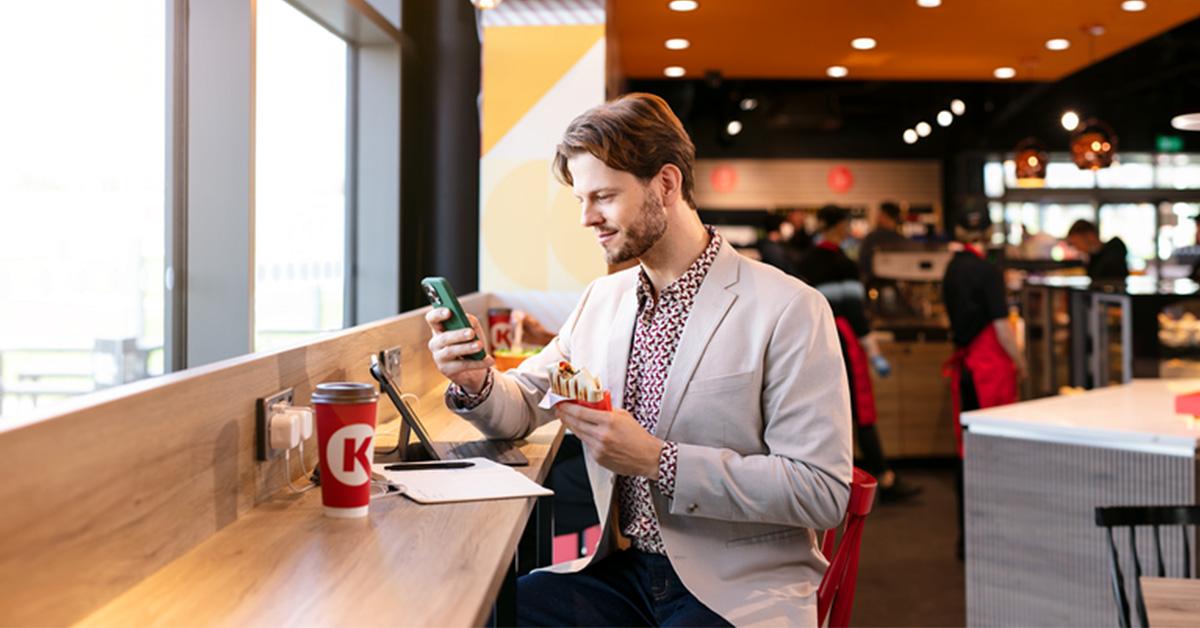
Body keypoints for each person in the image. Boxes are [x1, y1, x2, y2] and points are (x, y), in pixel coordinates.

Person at [425, 93, 852, 627]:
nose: (587, 218)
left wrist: (659, 459)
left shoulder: (789, 308)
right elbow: (520, 408)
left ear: (666, 184)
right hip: (623, 573)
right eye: (582, 199)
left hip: (738, 588)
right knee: (495, 613)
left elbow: (821, 491)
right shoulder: (601, 300)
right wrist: (476, 381)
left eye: (603, 196)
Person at [795, 204, 921, 504]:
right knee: (859, 411)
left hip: (813, 342)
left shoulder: (804, 261)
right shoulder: (843, 263)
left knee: (824, 411)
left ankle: (825, 479)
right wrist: (874, 352)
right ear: (839, 227)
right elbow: (856, 314)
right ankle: (883, 478)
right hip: (843, 341)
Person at [941, 206, 1026, 559]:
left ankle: (968, 536)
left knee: (968, 452)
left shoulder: (952, 270)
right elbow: (1002, 328)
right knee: (994, 451)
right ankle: (994, 533)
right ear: (987, 233)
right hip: (988, 370)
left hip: (966, 370)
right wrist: (1021, 362)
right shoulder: (988, 271)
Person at [858, 201, 908, 286]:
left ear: (884, 215)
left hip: (874, 284)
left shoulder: (872, 238)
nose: (876, 217)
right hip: (897, 284)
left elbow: (862, 262)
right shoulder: (902, 239)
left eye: (879, 214)